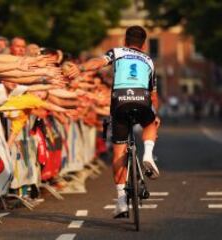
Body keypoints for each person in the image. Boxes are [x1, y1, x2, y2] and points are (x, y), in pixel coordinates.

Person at [66, 26, 160, 218]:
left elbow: (98, 62)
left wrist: (81, 68)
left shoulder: (117, 52)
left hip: (120, 101)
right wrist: (155, 113)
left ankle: (121, 201)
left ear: (125, 40)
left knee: (119, 151)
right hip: (142, 99)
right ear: (143, 44)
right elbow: (154, 95)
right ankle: (148, 155)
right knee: (150, 123)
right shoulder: (149, 60)